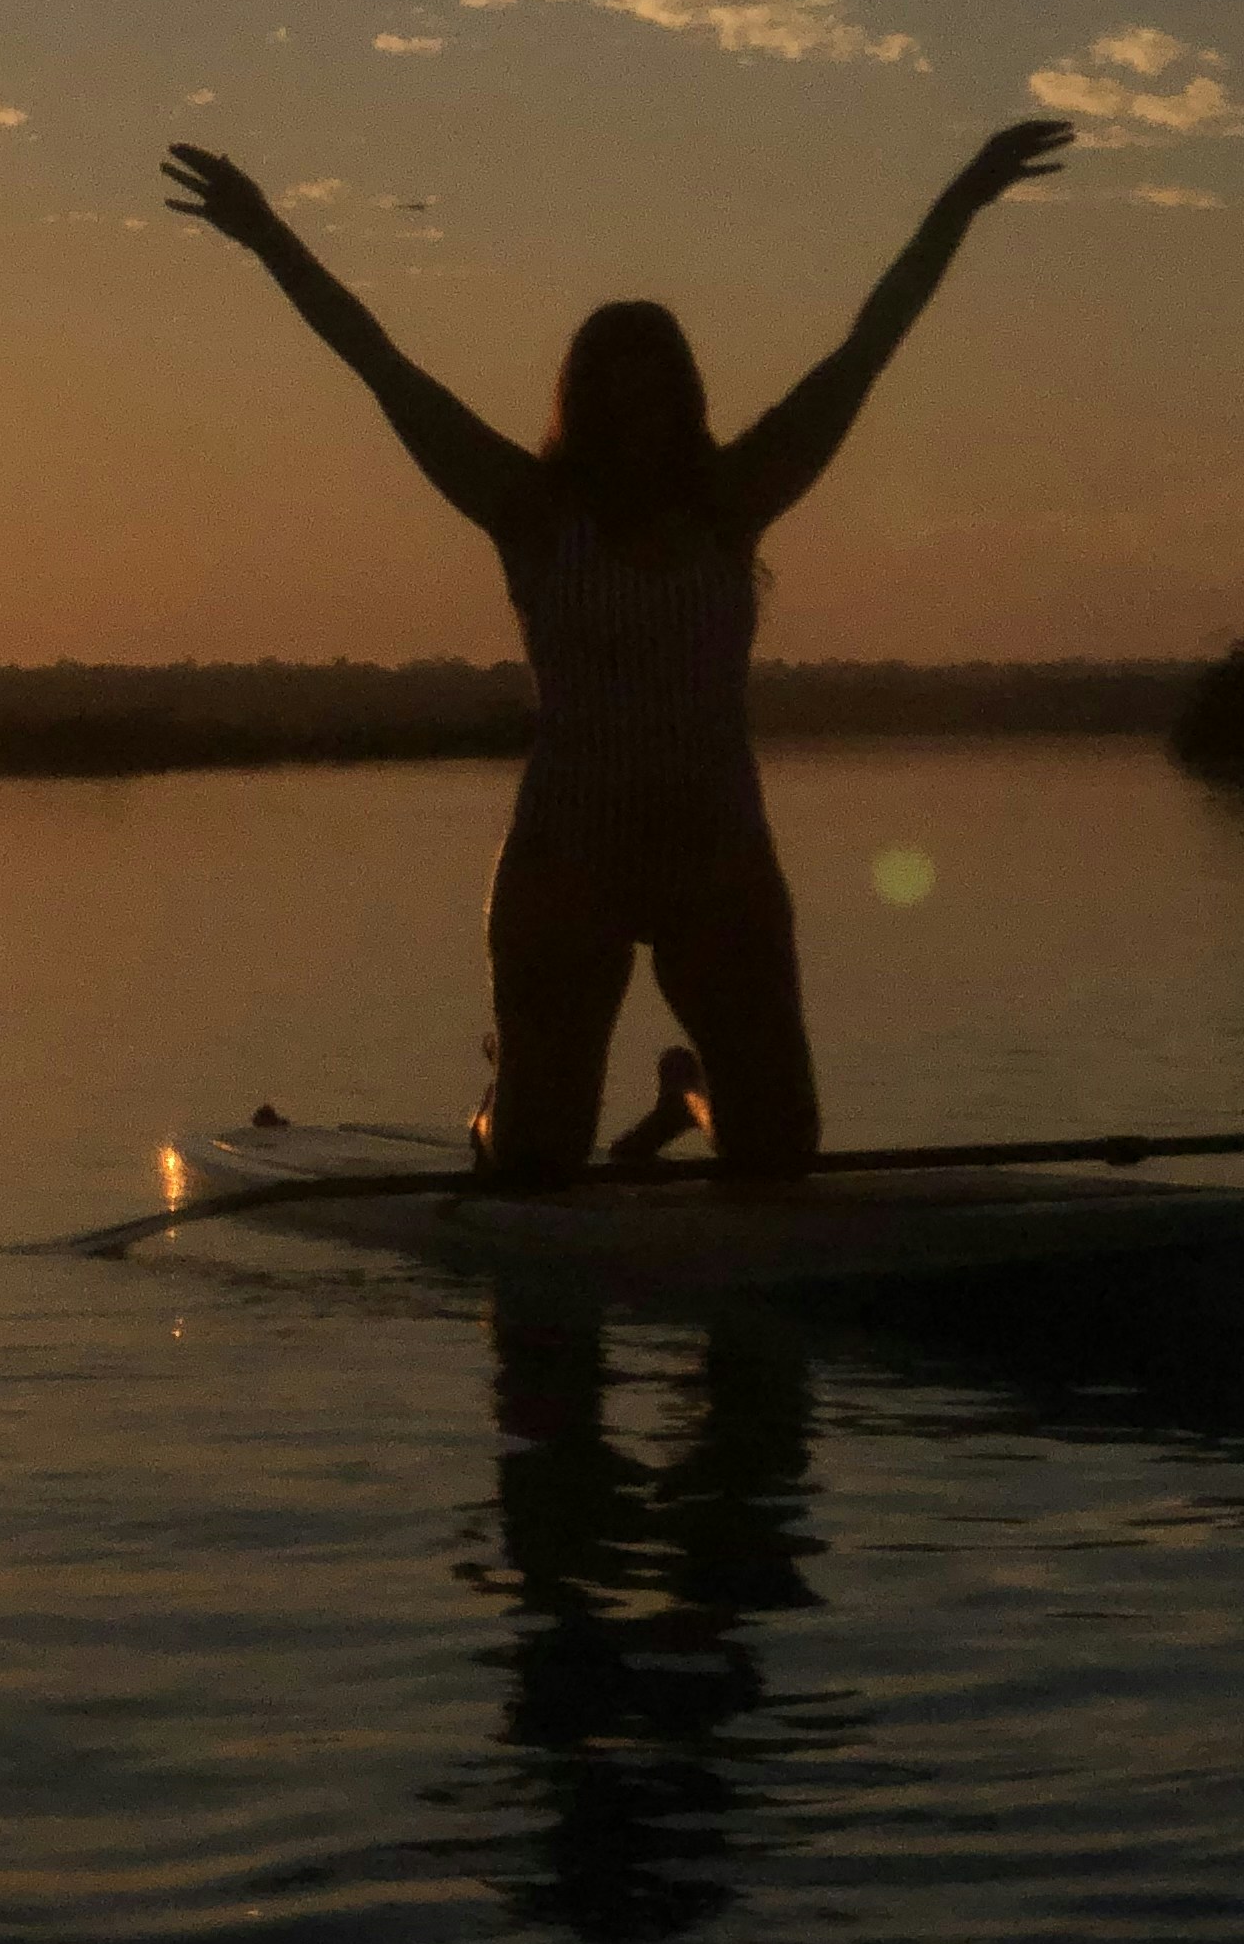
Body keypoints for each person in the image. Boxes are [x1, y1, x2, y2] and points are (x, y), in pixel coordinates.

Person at [158, 118, 1074, 1186]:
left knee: (782, 1152)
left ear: (685, 404)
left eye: (657, 395)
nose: (638, 417)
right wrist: (269, 236)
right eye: (614, 396)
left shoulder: (737, 500)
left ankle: (690, 1097)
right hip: (567, 861)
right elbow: (379, 361)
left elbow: (866, 348)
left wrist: (961, 199)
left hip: (716, 853)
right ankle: (507, 1095)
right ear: (582, 407)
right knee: (537, 1161)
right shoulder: (530, 511)